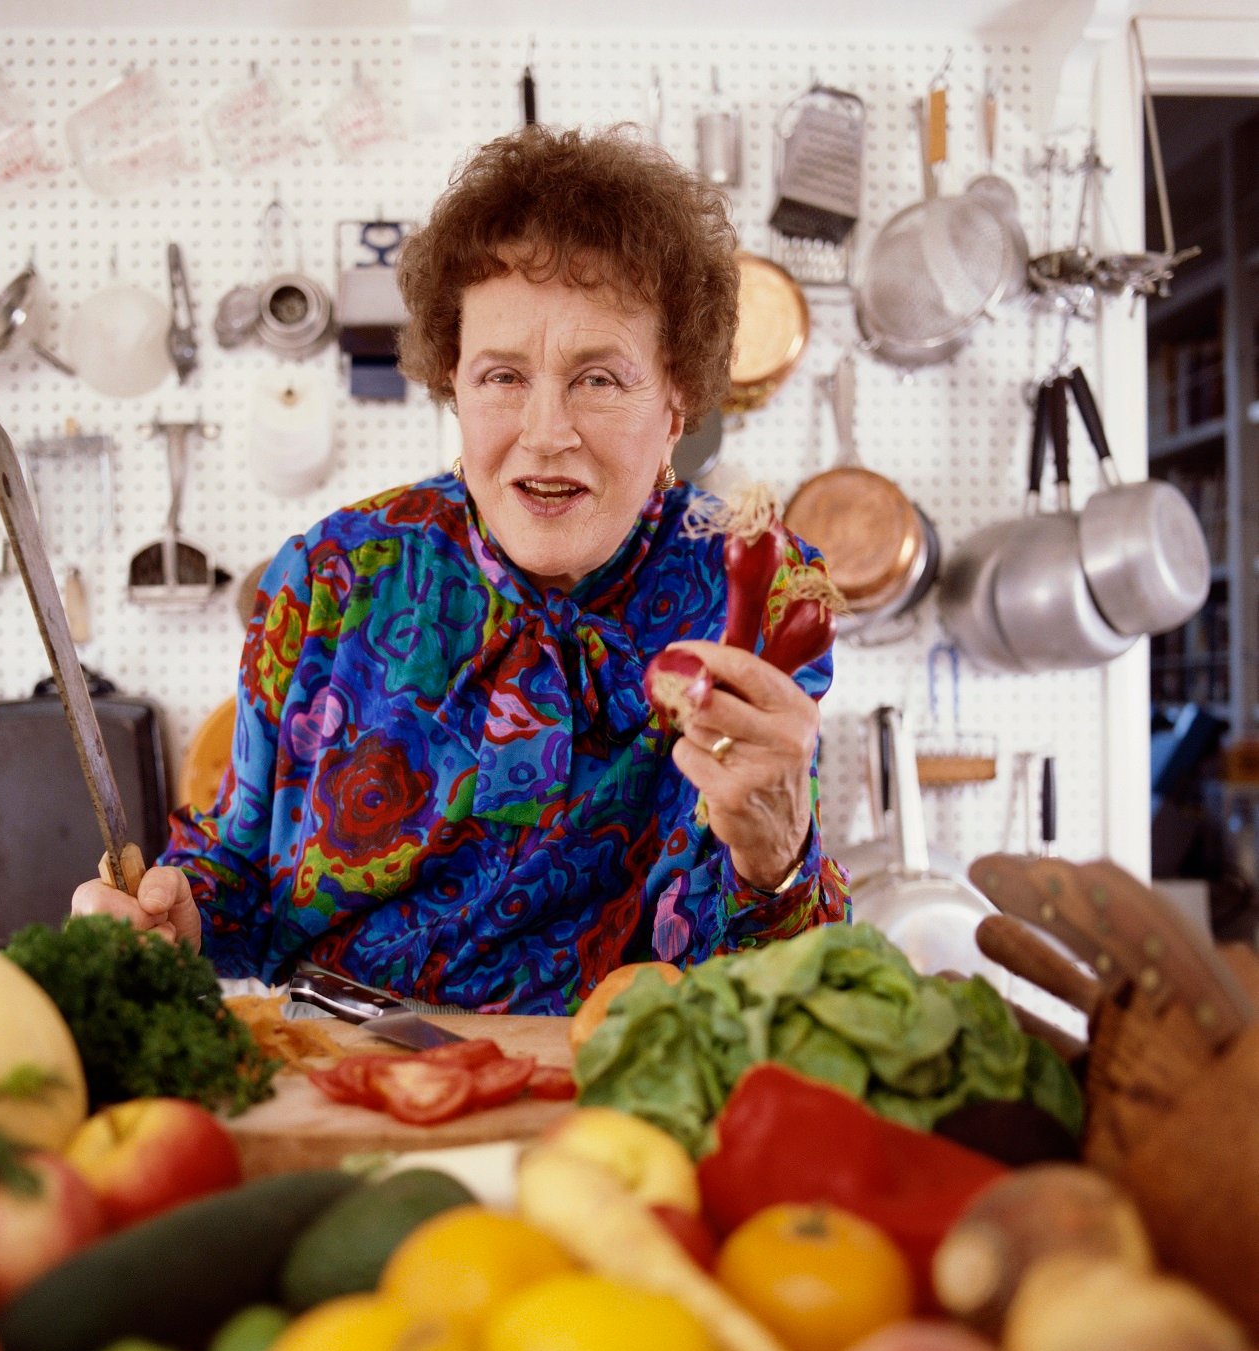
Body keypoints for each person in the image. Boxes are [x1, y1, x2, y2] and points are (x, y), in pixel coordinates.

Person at [73, 125, 849, 1016]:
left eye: (598, 378)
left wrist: (779, 857)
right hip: (342, 1075)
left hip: (617, 1094)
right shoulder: (331, 574)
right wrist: (179, 918)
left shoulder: (753, 591)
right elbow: (241, 874)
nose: (546, 431)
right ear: (452, 383)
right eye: (501, 376)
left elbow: (785, 985)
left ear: (676, 399)